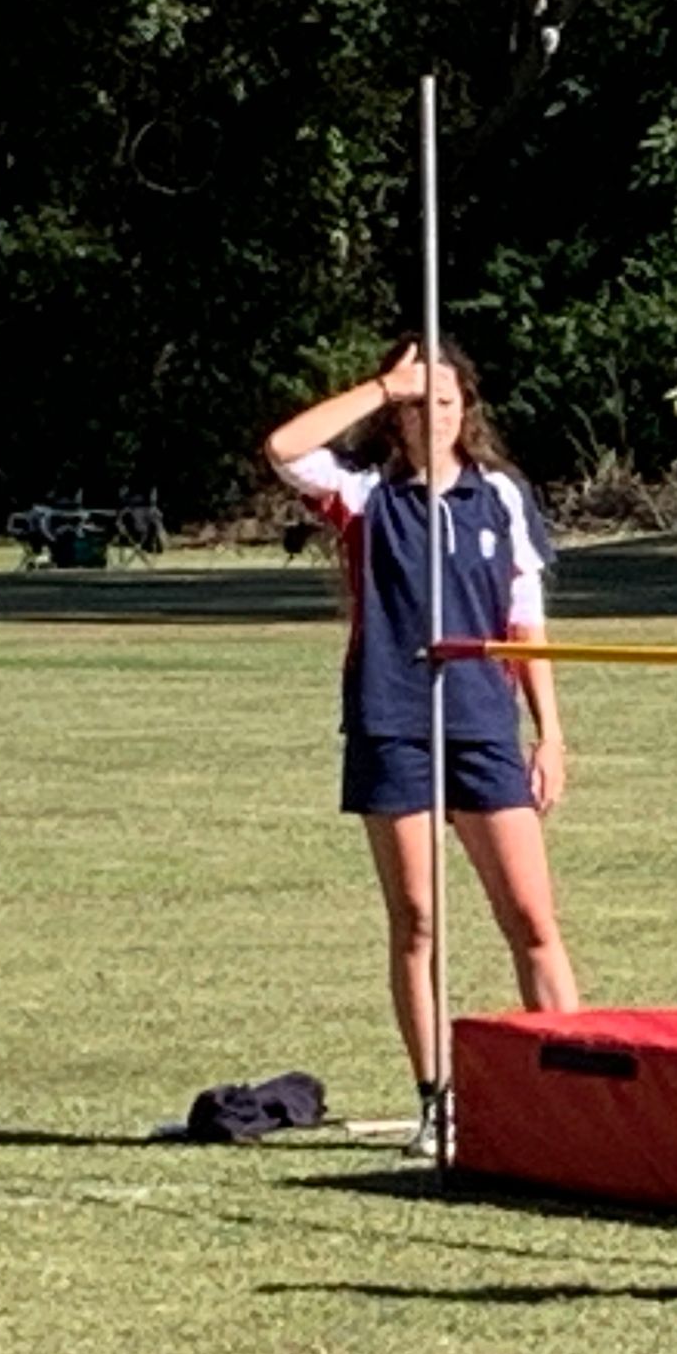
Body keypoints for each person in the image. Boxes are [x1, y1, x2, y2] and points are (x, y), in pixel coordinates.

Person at [264, 338, 581, 1157]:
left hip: (482, 723)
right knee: (417, 921)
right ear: (395, 417)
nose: (432, 417)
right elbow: (285, 448)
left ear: (466, 409)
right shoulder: (364, 494)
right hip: (392, 722)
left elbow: (526, 624)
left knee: (532, 917)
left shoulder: (500, 496)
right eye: (416, 405)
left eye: (445, 401)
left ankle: (578, 1094)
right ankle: (437, 1100)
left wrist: (549, 734)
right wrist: (383, 384)